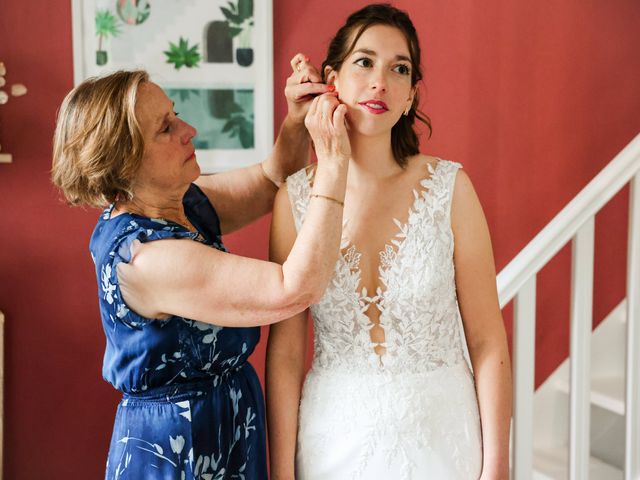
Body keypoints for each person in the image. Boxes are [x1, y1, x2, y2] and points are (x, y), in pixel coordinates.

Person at [51, 56, 350, 480]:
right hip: (182, 449)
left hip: (226, 424)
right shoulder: (150, 260)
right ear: (123, 161)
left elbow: (272, 178)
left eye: (175, 114)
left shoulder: (180, 202)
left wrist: (296, 120)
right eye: (165, 128)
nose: (187, 130)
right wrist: (336, 164)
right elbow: (294, 288)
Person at [266, 4, 512, 479]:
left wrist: (497, 467)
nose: (381, 81)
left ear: (410, 96)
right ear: (331, 79)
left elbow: (487, 340)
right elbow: (286, 353)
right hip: (332, 443)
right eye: (365, 62)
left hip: (445, 441)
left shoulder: (450, 189)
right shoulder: (293, 200)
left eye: (399, 69)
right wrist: (281, 472)